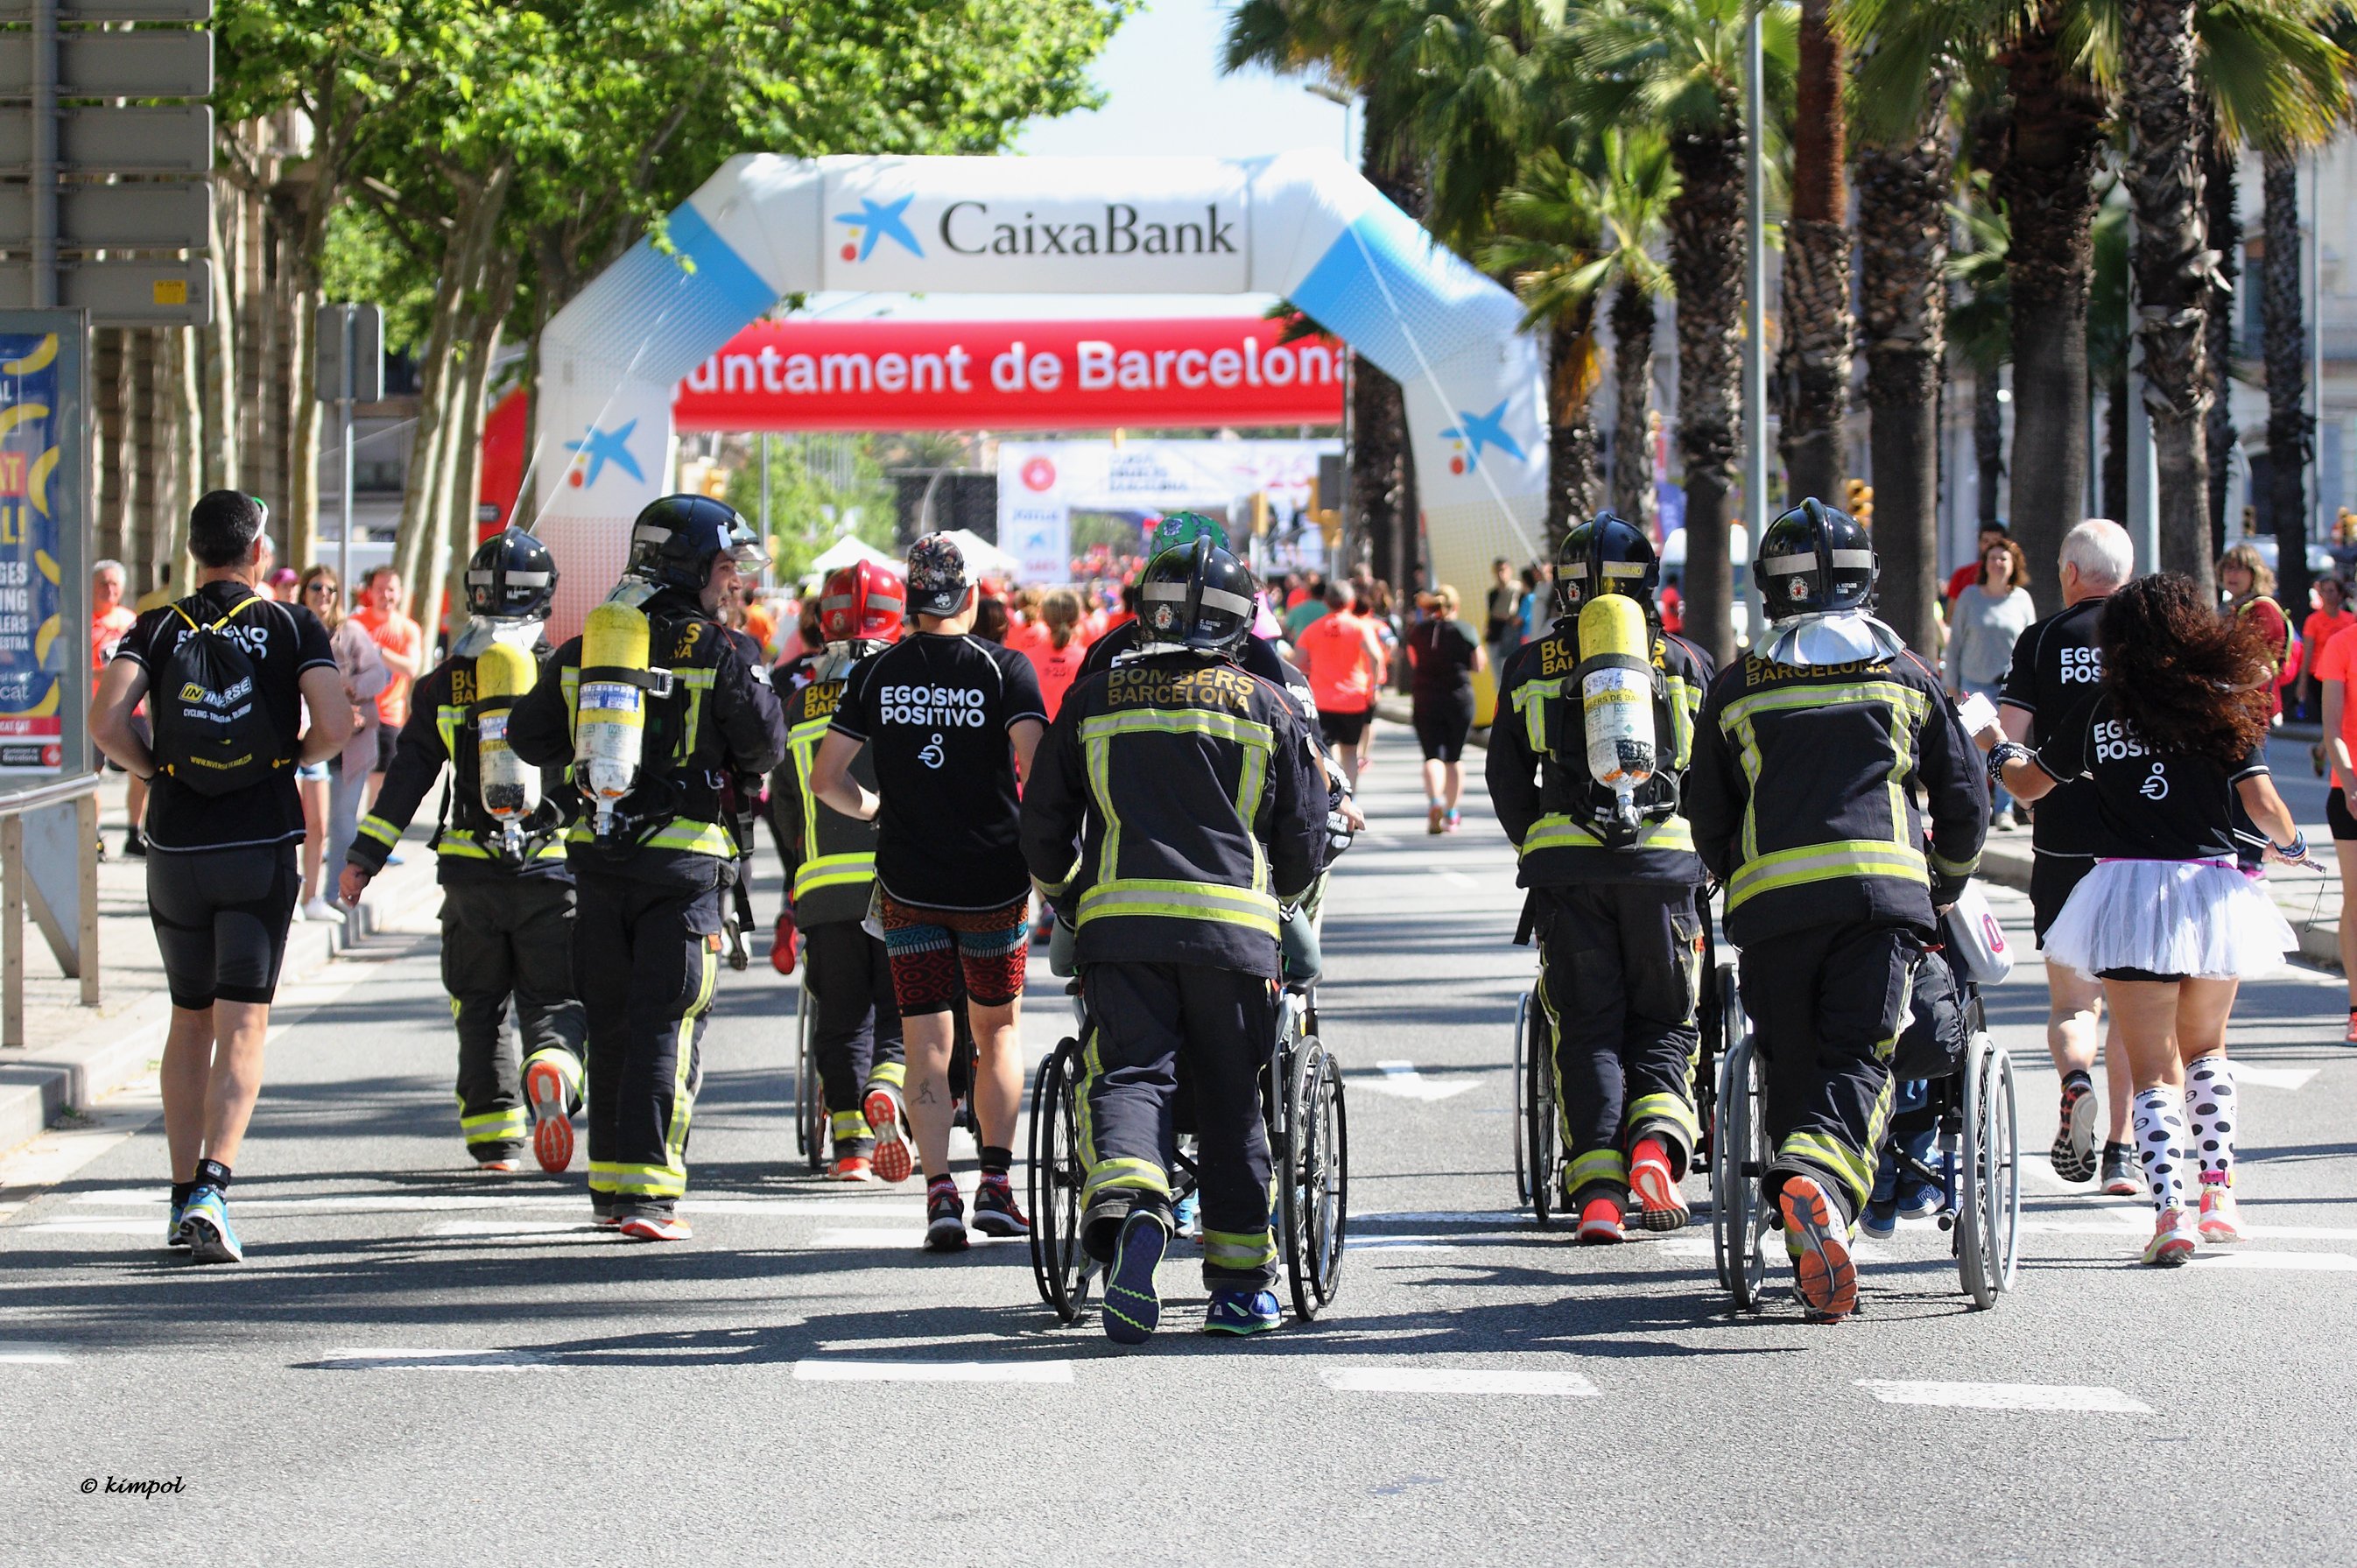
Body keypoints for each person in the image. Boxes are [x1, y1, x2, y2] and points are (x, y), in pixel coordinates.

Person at [1686, 498, 1988, 1320]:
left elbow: (1705, 807)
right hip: (1880, 900)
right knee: (1861, 1050)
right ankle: (1817, 1187)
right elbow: (1965, 800)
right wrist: (1945, 883)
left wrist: (1739, 873)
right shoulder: (1907, 675)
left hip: (1771, 911)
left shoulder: (1739, 685)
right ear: (1867, 583)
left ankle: (1809, 1235)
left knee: (1789, 1058)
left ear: (1769, 591)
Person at [1020, 539, 1326, 1341]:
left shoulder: (1094, 699)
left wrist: (1067, 897)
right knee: (1234, 1104)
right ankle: (1237, 1287)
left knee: (1129, 1075)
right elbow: (1302, 836)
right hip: (1236, 939)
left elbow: (1043, 823)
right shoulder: (1268, 705)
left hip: (1121, 931)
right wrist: (1282, 903)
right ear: (1239, 622)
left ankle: (1133, 1205)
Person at [1987, 573, 2304, 1265]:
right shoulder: (2219, 705)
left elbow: (2030, 783)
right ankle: (2220, 1193)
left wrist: (1997, 747)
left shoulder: (2103, 711)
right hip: (2213, 892)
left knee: (2154, 1070)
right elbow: (2263, 803)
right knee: (2208, 1051)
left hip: (2126, 892)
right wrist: (2295, 845)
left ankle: (2170, 1212)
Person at [507, 496, 786, 1241]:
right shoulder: (723, 648)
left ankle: (610, 1191)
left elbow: (529, 738)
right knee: (669, 1021)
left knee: (611, 1020)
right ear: (690, 564)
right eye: (725, 565)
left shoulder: (591, 646)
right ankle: (652, 1196)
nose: (731, 580)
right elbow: (764, 748)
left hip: (596, 861)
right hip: (687, 865)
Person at [88, 491, 353, 1263]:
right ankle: (212, 1187)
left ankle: (177, 1197)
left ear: (194, 551)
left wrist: (156, 769)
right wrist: (289, 761)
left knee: (188, 1017)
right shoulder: (291, 625)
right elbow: (333, 726)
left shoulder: (158, 624)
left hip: (175, 846)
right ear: (259, 552)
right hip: (259, 838)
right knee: (244, 1021)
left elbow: (106, 721)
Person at [810, 531, 1046, 1250]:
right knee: (996, 1031)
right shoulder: (1005, 668)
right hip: (992, 882)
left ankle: (939, 1193)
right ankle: (997, 1186)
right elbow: (1037, 774)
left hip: (907, 880)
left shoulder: (877, 674)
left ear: (911, 601)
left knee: (924, 1041)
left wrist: (875, 808)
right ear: (971, 596)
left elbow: (827, 780)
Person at [1488, 514, 1714, 1243]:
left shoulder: (1529, 666)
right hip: (1665, 866)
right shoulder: (1682, 662)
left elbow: (1504, 780)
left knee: (1586, 1029)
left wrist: (1543, 843)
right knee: (1667, 1018)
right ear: (1647, 585)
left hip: (1567, 872)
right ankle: (1655, 1144)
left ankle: (1599, 1196)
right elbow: (1715, 774)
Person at [342, 530, 587, 1175]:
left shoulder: (441, 685)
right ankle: (551, 1068)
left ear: (474, 596)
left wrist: (362, 858)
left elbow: (407, 779)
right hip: (551, 871)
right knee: (555, 1001)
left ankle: (493, 1140)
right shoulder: (570, 674)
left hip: (470, 877)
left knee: (477, 1008)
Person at [1998, 518, 2140, 1191]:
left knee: (2074, 1004)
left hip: (2061, 838)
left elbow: (2013, 743)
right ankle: (2121, 1151)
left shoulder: (2043, 638)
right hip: (2142, 843)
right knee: (2131, 1002)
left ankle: (2074, 1078)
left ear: (2072, 574)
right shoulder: (2150, 639)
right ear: (2128, 577)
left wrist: (2014, 778)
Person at [772, 559, 910, 1181]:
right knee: (901, 1004)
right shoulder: (905, 690)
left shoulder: (799, 702)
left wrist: (796, 870)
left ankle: (851, 1143)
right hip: (901, 882)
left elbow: (781, 802)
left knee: (841, 1012)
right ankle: (889, 1084)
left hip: (825, 890)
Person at [1944, 536, 2037, 829]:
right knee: (1974, 751)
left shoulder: (2021, 599)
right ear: (1984, 564)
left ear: (2014, 565)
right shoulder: (1970, 596)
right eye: (1993, 558)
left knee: (2008, 747)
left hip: (2011, 689)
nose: (1998, 564)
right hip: (1974, 684)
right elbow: (1955, 643)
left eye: (2004, 559)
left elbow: (2031, 646)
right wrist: (1952, 685)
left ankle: (2004, 810)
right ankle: (1977, 807)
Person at [1290, 580, 1387, 789]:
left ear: (1326, 602)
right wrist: (1374, 688)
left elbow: (1297, 662)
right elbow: (1377, 657)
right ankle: (1349, 793)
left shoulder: (1313, 629)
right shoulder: (1360, 627)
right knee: (1350, 752)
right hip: (1353, 699)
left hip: (1322, 700)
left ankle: (1331, 794)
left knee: (1325, 750)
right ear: (1351, 601)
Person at [1406, 584, 1485, 833]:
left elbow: (1414, 661)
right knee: (1454, 758)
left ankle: (1435, 801)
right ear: (1456, 605)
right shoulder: (1465, 630)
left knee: (1432, 756)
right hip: (1458, 697)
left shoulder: (1418, 631)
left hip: (1425, 697)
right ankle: (1451, 813)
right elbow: (1478, 664)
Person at [351, 566, 424, 810]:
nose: (386, 595)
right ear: (370, 593)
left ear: (401, 593)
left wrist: (380, 651)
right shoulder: (354, 624)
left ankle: (369, 842)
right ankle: (345, 839)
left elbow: (412, 667)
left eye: (391, 589)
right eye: (380, 589)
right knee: (350, 784)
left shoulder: (408, 629)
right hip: (356, 715)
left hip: (389, 717)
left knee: (381, 787)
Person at [2218, 542, 2295, 720]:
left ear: (2255, 574)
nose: (2232, 574)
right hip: (2236, 707)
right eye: (2228, 568)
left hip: (2254, 709)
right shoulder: (2231, 608)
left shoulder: (2262, 609)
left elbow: (2258, 668)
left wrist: (2229, 690)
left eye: (2240, 569)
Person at [1024, 587, 1092, 721]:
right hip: (1076, 735)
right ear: (1078, 617)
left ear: (1043, 617)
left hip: (1040, 735)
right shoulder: (1088, 659)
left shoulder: (1027, 659)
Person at [2299, 576, 2352, 725]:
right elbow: (2307, 651)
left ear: (2340, 594)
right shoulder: (2313, 621)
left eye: (2331, 591)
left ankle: (2322, 748)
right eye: (2324, 591)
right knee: (2331, 715)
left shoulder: (2350, 620)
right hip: (2319, 675)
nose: (2328, 595)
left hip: (2345, 673)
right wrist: (2302, 683)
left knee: (2344, 715)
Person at [1945, 522, 2012, 607]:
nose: (1990, 545)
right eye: (1985, 541)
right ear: (1979, 544)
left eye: (1996, 541)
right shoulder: (1961, 575)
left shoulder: (2013, 576)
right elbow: (1952, 613)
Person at [1486, 556, 1522, 671]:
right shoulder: (1492, 593)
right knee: (1498, 676)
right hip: (1495, 638)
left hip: (1511, 638)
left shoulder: (1517, 589)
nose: (1500, 574)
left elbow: (1514, 614)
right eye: (1497, 571)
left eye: (1503, 570)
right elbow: (1492, 615)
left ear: (1510, 570)